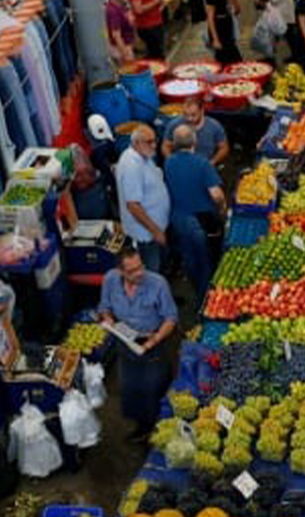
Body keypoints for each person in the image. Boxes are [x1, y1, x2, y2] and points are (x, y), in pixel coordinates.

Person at [99, 247, 178, 441]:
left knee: (154, 390)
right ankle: (142, 428)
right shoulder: (110, 279)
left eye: (140, 266)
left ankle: (161, 429)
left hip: (152, 343)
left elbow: (171, 318)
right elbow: (104, 306)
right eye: (132, 271)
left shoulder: (158, 284)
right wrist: (108, 319)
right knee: (130, 389)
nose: (139, 273)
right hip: (125, 342)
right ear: (120, 271)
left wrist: (153, 341)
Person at [163, 124, 225, 298]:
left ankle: (197, 292)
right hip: (201, 223)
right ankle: (207, 300)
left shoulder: (169, 163)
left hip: (179, 222)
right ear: (195, 141)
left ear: (174, 143)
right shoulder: (202, 164)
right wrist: (221, 209)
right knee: (207, 262)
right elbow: (216, 195)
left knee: (190, 260)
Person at [116, 124, 171, 272]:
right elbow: (133, 206)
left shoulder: (143, 156)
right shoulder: (132, 166)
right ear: (136, 143)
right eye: (149, 142)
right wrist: (156, 231)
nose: (154, 145)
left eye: (155, 140)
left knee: (159, 263)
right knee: (151, 269)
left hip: (154, 228)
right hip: (146, 233)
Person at [161, 97, 229, 166]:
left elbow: (224, 148)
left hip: (204, 165)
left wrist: (212, 162)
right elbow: (165, 146)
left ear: (202, 111)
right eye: (185, 114)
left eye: (193, 115)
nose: (189, 118)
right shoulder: (174, 125)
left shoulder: (214, 126)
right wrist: (172, 160)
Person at [106, 0, 138, 65]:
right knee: (128, 71)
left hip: (126, 45)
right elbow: (116, 36)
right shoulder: (113, 10)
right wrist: (125, 54)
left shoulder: (121, 4)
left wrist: (130, 20)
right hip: (121, 48)